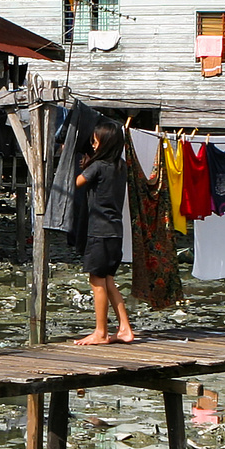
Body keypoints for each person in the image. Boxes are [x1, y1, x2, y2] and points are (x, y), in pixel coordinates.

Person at [72, 118, 133, 344]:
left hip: (99, 231)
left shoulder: (97, 166)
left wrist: (84, 164)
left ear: (105, 144)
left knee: (96, 281)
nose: (93, 146)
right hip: (115, 232)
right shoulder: (120, 167)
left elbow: (78, 182)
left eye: (96, 142)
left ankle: (101, 332)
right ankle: (125, 328)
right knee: (108, 280)